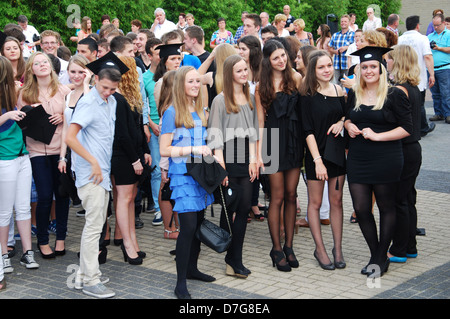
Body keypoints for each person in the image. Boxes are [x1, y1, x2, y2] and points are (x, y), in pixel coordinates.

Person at [345, 46, 413, 278]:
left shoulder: (394, 95)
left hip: (387, 157)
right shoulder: (353, 93)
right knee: (361, 209)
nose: (369, 70)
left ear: (381, 68)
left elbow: (407, 129)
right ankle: (379, 254)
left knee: (386, 207)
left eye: (373, 66)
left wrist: (377, 135)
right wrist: (348, 125)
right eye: (364, 67)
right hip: (358, 158)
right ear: (359, 70)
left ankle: (378, 257)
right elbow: (347, 117)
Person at [65, 52, 129, 298]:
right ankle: (91, 280)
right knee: (94, 227)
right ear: (95, 81)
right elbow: (70, 137)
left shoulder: (111, 102)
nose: (108, 92)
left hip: (102, 173)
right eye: (104, 87)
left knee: (96, 225)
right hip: (91, 175)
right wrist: (92, 162)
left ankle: (84, 275)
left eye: (113, 89)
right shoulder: (89, 102)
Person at [160, 66, 216, 299]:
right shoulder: (172, 112)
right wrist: (193, 148)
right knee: (188, 227)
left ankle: (192, 269)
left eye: (198, 81)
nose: (196, 85)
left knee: (198, 224)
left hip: (200, 174)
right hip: (182, 176)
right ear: (180, 84)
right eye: (191, 81)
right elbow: (164, 149)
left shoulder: (199, 109)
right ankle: (180, 282)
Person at [208, 54, 259, 278]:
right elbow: (216, 136)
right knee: (230, 209)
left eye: (245, 69)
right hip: (227, 156)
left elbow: (255, 131)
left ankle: (234, 258)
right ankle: (232, 259)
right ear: (229, 74)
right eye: (238, 71)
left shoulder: (250, 96)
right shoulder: (220, 100)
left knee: (245, 208)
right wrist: (222, 168)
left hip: (246, 158)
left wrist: (255, 159)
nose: (244, 74)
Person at [17, 52, 71, 259]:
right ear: (31, 69)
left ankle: (61, 239)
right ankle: (42, 240)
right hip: (37, 151)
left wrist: (63, 115)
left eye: (45, 62)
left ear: (51, 66)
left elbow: (74, 116)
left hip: (61, 150)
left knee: (62, 194)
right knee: (45, 196)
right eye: (36, 63)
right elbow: (22, 123)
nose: (41, 65)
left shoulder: (63, 90)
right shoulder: (24, 94)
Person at [256, 40, 302, 272]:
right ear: (268, 61)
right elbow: (260, 123)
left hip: (294, 141)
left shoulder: (296, 78)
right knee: (277, 197)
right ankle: (276, 249)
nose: (282, 60)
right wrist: (259, 154)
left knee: (292, 194)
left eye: (283, 55)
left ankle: (289, 245)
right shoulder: (261, 87)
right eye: (276, 58)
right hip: (272, 142)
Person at [300, 50, 346, 270]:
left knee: (337, 202)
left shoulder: (339, 90)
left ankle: (338, 249)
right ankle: (320, 249)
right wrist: (317, 160)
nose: (327, 70)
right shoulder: (306, 95)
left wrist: (342, 121)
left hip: (336, 155)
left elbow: (348, 113)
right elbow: (307, 130)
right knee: (316, 203)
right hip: (316, 156)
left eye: (329, 65)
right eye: (321, 67)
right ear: (313, 70)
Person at [0, 56, 40, 278]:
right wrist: (7, 115)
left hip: (22, 155)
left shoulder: (10, 93)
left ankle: (28, 251)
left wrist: (26, 110)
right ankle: (3, 254)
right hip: (4, 158)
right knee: (4, 211)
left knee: (23, 207)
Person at [111, 56, 151, 265]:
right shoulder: (116, 99)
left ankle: (133, 242)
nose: (138, 74)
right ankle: (127, 246)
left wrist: (144, 150)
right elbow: (122, 134)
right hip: (123, 156)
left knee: (130, 198)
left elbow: (137, 126)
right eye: (134, 71)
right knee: (124, 199)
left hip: (135, 152)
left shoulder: (130, 97)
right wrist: (135, 159)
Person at [384, 45, 422, 263]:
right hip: (413, 149)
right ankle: (409, 246)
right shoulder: (413, 87)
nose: (386, 62)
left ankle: (398, 249)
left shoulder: (398, 90)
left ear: (397, 62)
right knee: (407, 199)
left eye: (389, 59)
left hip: (403, 150)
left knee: (399, 200)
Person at [398, 15, 436, 136]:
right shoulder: (423, 38)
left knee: (406, 103)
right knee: (419, 104)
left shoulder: (400, 39)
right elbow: (428, 56)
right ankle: (422, 128)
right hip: (418, 77)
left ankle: (410, 126)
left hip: (403, 77)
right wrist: (432, 74)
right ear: (417, 26)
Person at [156, 70, 179, 239]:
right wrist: (164, 168)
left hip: (174, 160)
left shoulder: (173, 108)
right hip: (169, 161)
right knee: (165, 192)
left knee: (171, 193)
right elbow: (165, 144)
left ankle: (174, 227)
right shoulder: (169, 112)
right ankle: (169, 229)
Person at [427, 13, 450, 124]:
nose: (435, 27)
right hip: (432, 69)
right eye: (434, 25)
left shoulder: (449, 34)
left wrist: (439, 48)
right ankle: (438, 113)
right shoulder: (430, 36)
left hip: (445, 68)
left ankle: (448, 114)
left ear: (444, 23)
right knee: (435, 93)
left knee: (445, 92)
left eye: (438, 25)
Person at [328, 15, 355, 84]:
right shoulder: (335, 35)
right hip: (337, 63)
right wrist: (335, 51)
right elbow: (329, 47)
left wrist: (346, 47)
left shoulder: (352, 34)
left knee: (346, 83)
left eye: (345, 21)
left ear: (349, 23)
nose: (343, 23)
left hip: (347, 64)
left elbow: (355, 46)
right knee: (336, 83)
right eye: (342, 21)